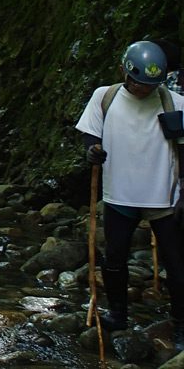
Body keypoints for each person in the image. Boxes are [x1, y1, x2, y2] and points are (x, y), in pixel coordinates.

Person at [77, 40, 184, 348]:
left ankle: (180, 324)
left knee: (176, 265)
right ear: (123, 71)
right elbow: (89, 134)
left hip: (163, 196)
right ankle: (118, 313)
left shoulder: (173, 102)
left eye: (150, 85)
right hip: (119, 195)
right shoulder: (105, 97)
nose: (143, 90)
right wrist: (92, 151)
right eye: (138, 83)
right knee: (114, 260)